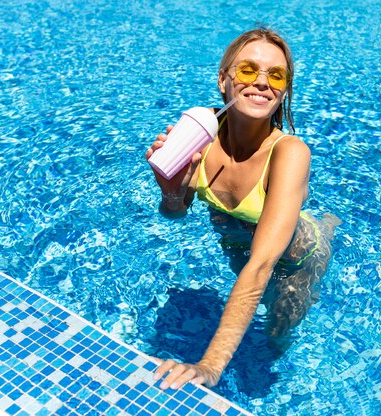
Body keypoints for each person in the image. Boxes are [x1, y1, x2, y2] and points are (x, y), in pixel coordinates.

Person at [144, 27, 340, 390]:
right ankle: (327, 222)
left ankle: (326, 228)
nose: (262, 83)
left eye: (276, 76)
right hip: (238, 246)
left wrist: (210, 365)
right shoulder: (200, 130)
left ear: (283, 93)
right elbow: (174, 213)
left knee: (275, 339)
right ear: (224, 80)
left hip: (294, 262)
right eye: (249, 70)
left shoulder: (290, 153)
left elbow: (263, 263)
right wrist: (171, 193)